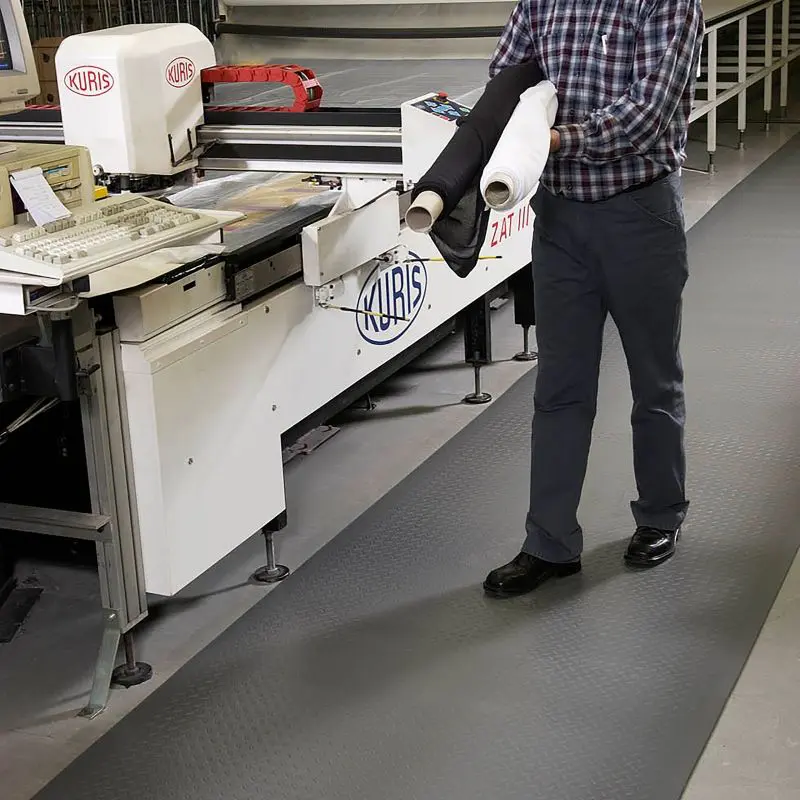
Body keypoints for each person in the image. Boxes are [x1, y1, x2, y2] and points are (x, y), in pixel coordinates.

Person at [483, 0, 704, 598]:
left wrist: (552, 139)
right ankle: (549, 543)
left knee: (654, 379)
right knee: (559, 386)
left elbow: (648, 115)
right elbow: (507, 78)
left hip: (639, 214)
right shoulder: (541, 3)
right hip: (559, 222)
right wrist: (512, 129)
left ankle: (660, 515)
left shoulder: (667, 5)